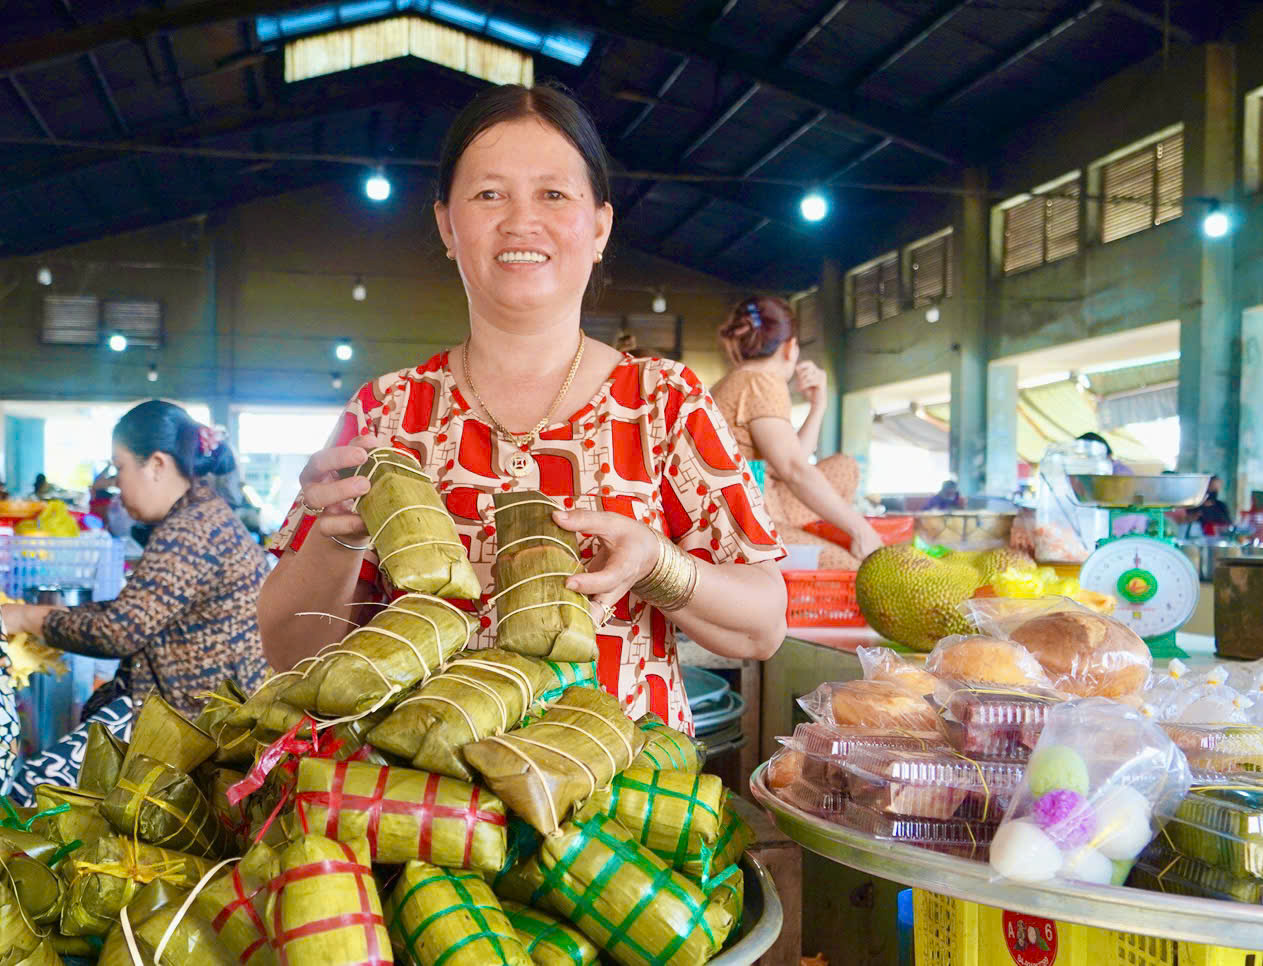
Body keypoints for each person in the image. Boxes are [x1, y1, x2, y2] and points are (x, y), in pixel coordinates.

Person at [258, 83, 787, 732]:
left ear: (598, 227)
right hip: (416, 812)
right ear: (447, 226)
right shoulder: (386, 410)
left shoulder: (663, 401)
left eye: (553, 193)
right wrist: (335, 544)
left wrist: (656, 563)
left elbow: (763, 627)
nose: (520, 221)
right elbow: (286, 652)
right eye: (488, 194)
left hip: (617, 814)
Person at [0, 401, 270, 797]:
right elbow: (135, 611)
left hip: (192, 726)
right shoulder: (200, 515)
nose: (116, 483)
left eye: (121, 466)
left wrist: (24, 619)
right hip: (195, 711)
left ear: (157, 464)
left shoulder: (190, 531)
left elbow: (119, 631)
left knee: (33, 792)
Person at [710, 296, 883, 561]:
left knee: (844, 467)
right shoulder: (762, 382)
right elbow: (793, 469)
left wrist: (818, 405)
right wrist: (862, 530)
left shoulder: (734, 382)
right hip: (742, 524)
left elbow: (793, 460)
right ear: (790, 348)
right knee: (848, 569)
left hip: (766, 503)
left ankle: (804, 539)